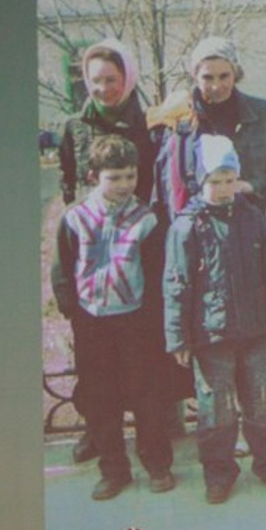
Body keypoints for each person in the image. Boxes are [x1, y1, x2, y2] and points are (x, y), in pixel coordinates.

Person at [164, 135, 266, 504]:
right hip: (211, 337)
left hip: (256, 332)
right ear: (199, 182)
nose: (223, 189)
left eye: (229, 179)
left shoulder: (253, 219)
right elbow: (177, 284)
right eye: (214, 181)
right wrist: (178, 337)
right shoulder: (187, 226)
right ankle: (218, 472)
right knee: (216, 410)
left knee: (262, 401)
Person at [51, 133, 174, 501]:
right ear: (94, 177)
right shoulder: (75, 219)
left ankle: (157, 463)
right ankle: (114, 469)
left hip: (135, 321)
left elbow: (156, 274)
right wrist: (72, 310)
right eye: (114, 178)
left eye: (129, 177)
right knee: (100, 399)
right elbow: (62, 270)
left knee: (147, 396)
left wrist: (152, 320)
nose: (123, 185)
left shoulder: (147, 220)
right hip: (92, 322)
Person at [152, 36, 266, 217]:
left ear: (236, 73)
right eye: (207, 78)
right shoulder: (178, 118)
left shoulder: (264, 115)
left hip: (253, 223)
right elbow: (164, 184)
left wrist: (252, 186)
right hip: (197, 226)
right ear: (195, 76)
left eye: (224, 76)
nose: (216, 86)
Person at [59, 36, 156, 208]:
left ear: (127, 78)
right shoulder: (74, 126)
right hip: (87, 227)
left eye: (111, 80)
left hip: (139, 227)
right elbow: (68, 182)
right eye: (96, 80)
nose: (103, 89)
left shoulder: (150, 125)